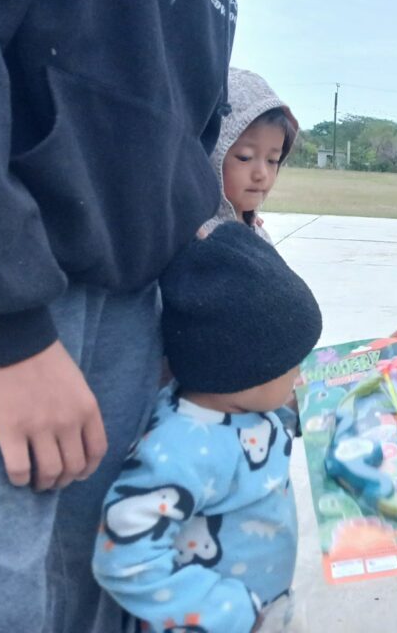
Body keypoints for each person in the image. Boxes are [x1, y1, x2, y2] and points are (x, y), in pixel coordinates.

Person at [0, 0, 242, 630]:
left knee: (104, 589)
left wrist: (191, 301)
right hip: (3, 294)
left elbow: (185, 118)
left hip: (128, 300)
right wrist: (0, 321)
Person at [93, 222, 322, 633]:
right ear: (242, 370)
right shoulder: (179, 448)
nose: (300, 376)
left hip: (262, 608)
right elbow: (125, 560)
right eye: (292, 366)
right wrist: (229, 612)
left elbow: (270, 427)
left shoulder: (243, 407)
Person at [200, 67, 300, 243]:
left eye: (273, 160)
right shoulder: (199, 235)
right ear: (212, 154)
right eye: (245, 157)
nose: (261, 174)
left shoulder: (260, 234)